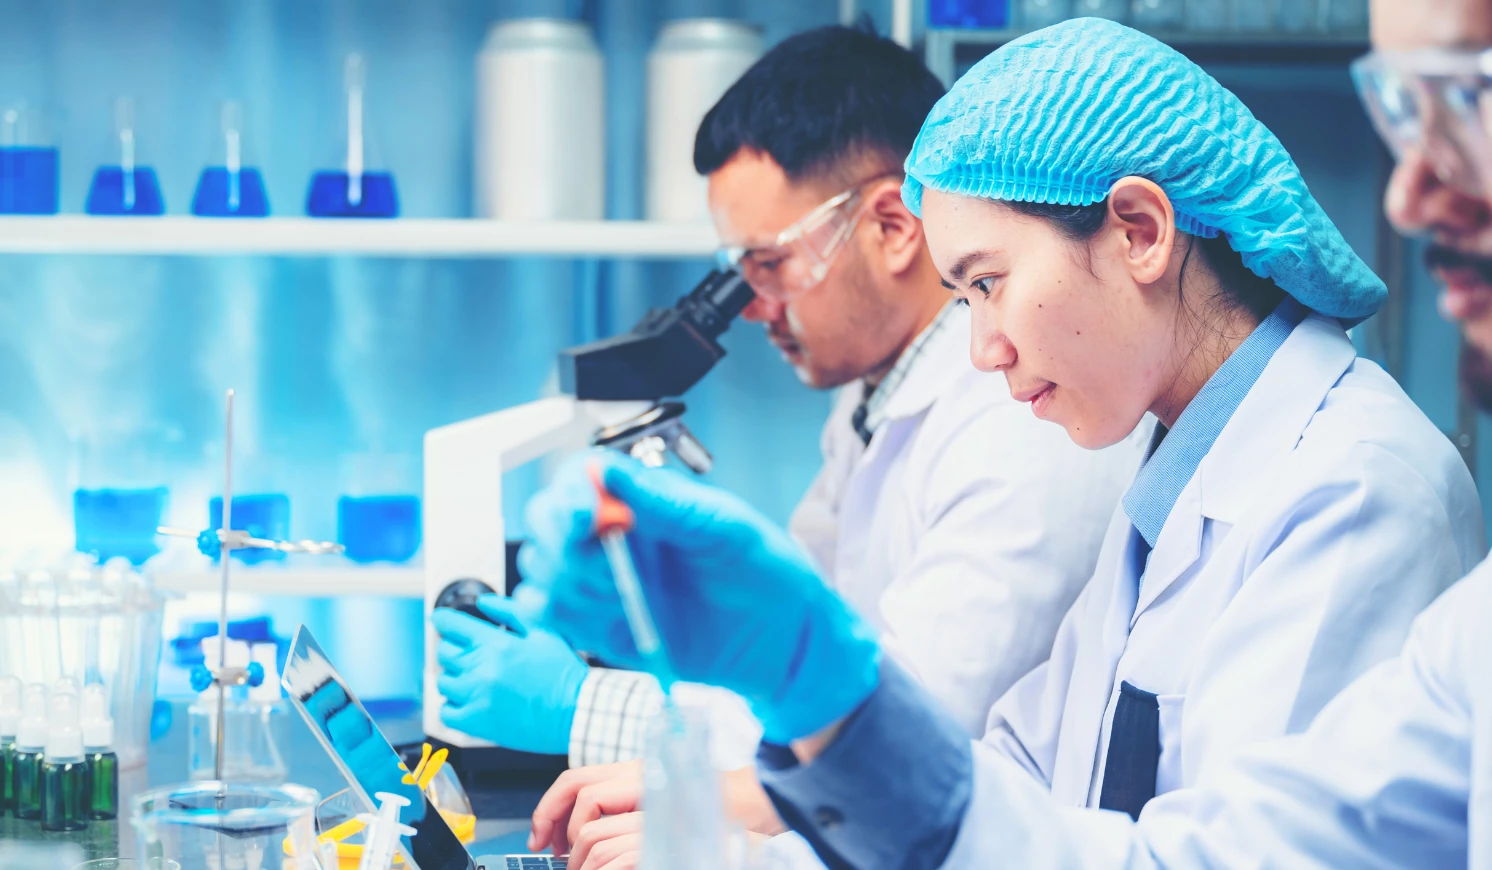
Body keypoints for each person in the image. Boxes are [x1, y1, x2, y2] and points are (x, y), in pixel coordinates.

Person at [515, 14, 1492, 870]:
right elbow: (1014, 778)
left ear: (1141, 232)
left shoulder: (1352, 486)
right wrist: (748, 827)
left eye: (986, 283)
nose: (981, 349)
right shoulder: (1172, 474)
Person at [432, 22, 1138, 775]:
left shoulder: (1025, 417)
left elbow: (899, 719)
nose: (750, 306)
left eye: (767, 264)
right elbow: (787, 658)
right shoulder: (870, 402)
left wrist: (584, 706)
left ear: (894, 226)